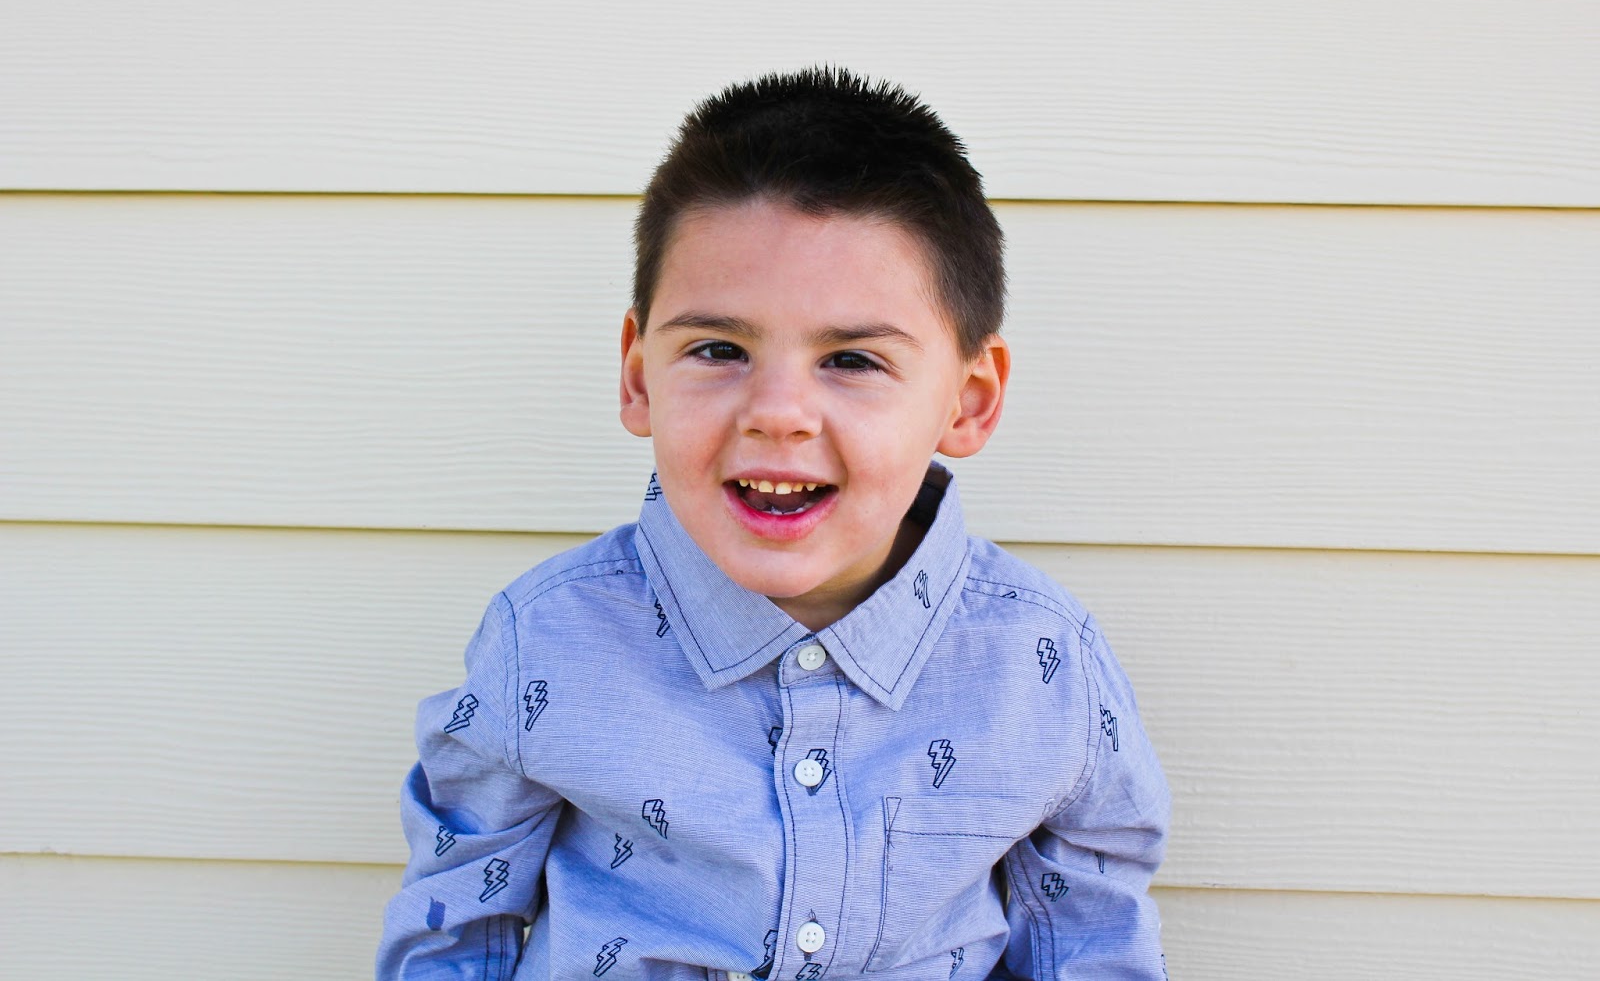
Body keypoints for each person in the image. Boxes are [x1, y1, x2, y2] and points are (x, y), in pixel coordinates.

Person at [376, 67, 1170, 980]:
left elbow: (1093, 945)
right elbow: (453, 929)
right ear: (638, 376)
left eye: (852, 360)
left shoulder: (1044, 667)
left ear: (969, 400)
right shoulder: (547, 641)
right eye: (719, 349)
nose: (778, 413)